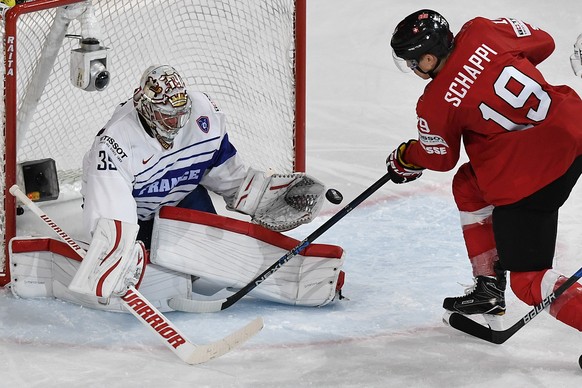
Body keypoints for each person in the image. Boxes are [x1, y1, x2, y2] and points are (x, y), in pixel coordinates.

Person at [60, 64, 342, 306]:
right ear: (146, 108)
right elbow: (110, 213)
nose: (176, 122)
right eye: (167, 115)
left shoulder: (201, 115)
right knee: (159, 278)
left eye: (180, 113)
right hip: (138, 218)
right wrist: (117, 254)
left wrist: (257, 195)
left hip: (181, 201)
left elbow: (222, 169)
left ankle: (298, 280)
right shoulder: (115, 143)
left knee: (213, 272)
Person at [387, 10, 582, 331]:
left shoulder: (436, 102)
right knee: (469, 184)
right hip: (573, 129)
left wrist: (407, 157)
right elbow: (544, 43)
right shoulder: (482, 30)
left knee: (529, 281)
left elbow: (440, 158)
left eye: (413, 61)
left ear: (429, 58)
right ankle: (487, 286)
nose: (412, 67)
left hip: (532, 177)